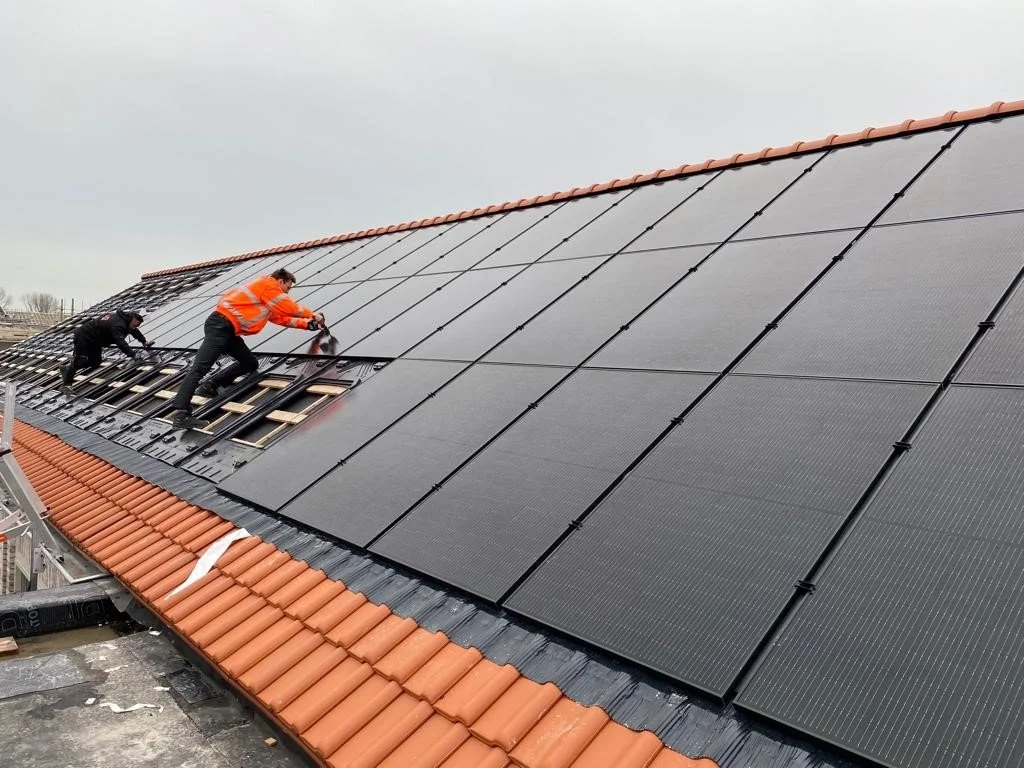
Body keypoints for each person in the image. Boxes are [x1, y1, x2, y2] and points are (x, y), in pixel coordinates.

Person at [168, 268, 325, 430]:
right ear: (280, 281)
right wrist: (312, 315)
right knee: (199, 368)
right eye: (288, 287)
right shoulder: (268, 285)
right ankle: (181, 415)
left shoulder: (265, 297)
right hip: (220, 326)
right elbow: (289, 308)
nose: (287, 292)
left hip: (229, 330)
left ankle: (210, 386)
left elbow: (281, 318)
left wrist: (308, 325)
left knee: (249, 363)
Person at [60, 310, 152, 392]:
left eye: (137, 326)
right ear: (132, 320)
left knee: (96, 363)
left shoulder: (126, 320)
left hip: (95, 340)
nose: (135, 327)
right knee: (81, 359)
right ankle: (66, 384)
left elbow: (134, 331)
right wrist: (133, 354)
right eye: (135, 325)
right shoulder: (118, 325)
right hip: (84, 336)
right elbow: (120, 341)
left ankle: (68, 370)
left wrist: (144, 341)